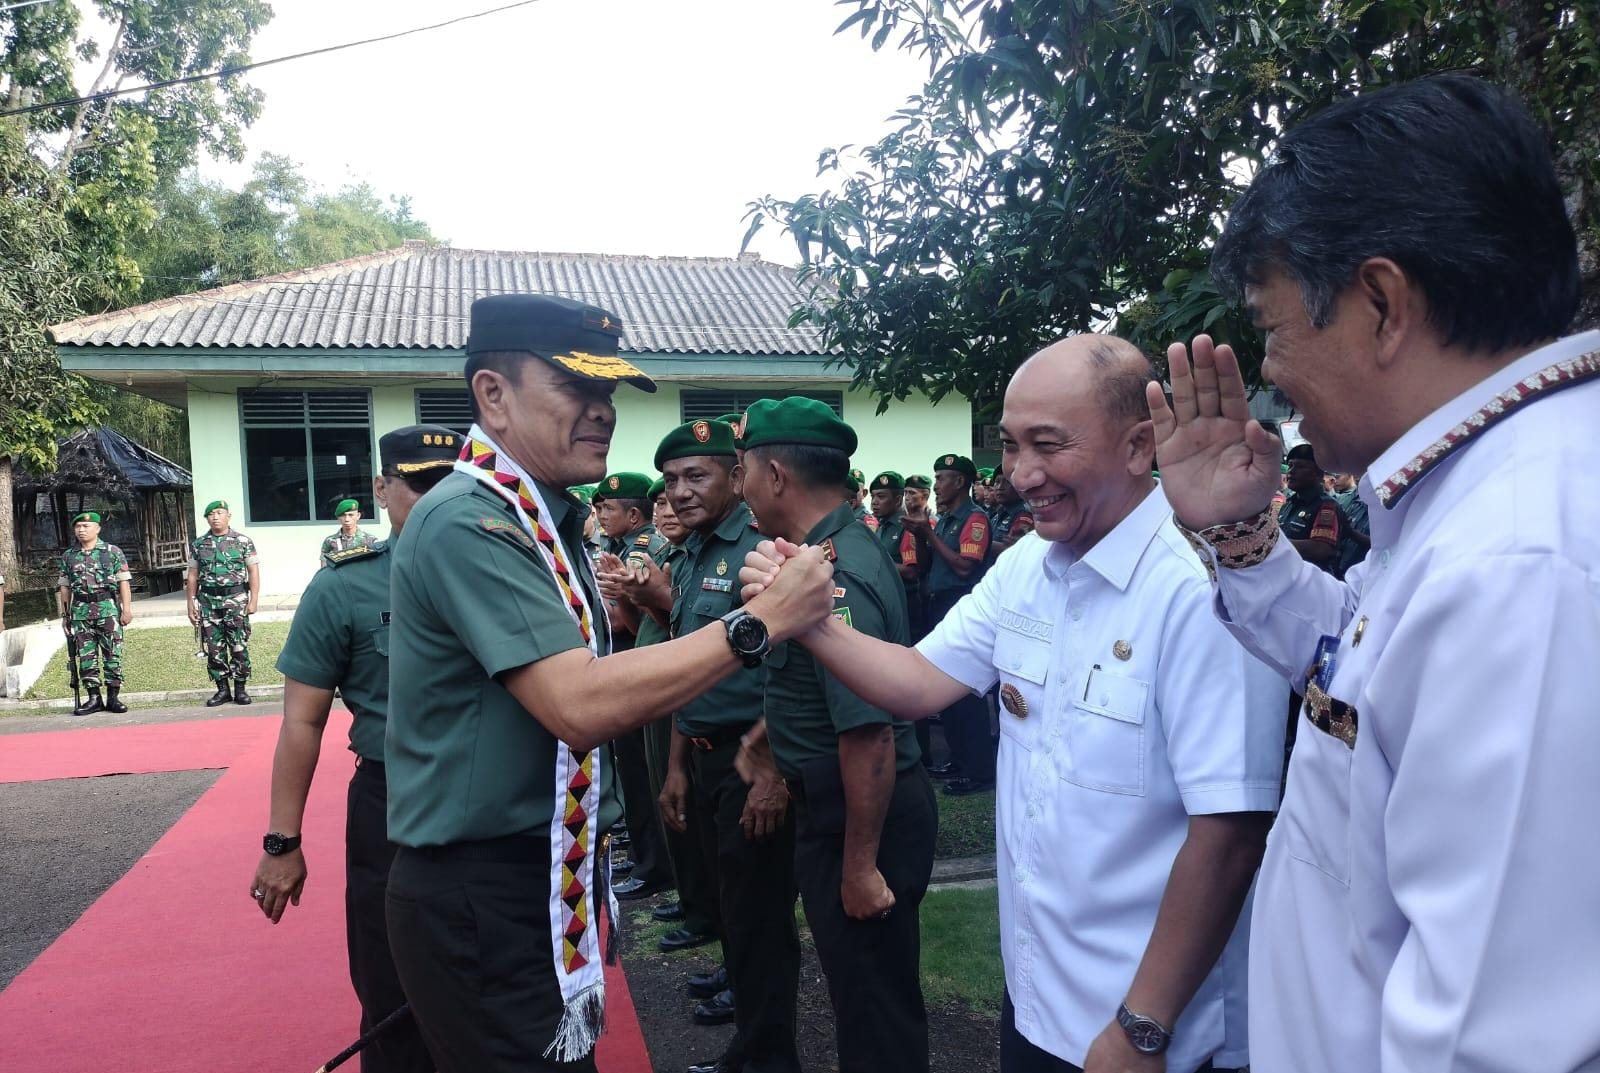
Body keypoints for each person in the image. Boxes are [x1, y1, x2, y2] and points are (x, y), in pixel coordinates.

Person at [1149, 75, 1600, 1073]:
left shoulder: (1514, 564)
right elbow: (1358, 676)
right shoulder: (1477, 503)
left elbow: (1487, 1042)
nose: (1267, 373)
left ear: (1382, 303)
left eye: (1271, 327)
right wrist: (1238, 537)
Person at [744, 335, 1288, 1073]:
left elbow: (1228, 831)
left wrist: (1143, 1026)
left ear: (1137, 447)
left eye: (1048, 445)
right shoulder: (1029, 565)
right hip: (1037, 996)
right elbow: (917, 679)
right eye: (1009, 443)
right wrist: (804, 619)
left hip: (1152, 1026)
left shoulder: (1202, 589)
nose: (1021, 473)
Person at [381, 293, 832, 1073]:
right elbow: (578, 702)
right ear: (493, 394)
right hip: (482, 886)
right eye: (574, 389)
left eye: (608, 393)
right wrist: (757, 624)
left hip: (535, 870)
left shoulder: (541, 515)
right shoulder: (471, 519)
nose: (601, 411)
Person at [249, 424, 460, 1073]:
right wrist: (282, 841)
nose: (434, 498)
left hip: (494, 807)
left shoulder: (510, 571)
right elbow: (302, 722)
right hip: (391, 807)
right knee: (390, 983)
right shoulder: (345, 586)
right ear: (381, 488)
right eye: (417, 484)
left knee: (490, 990)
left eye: (450, 484)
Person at [737, 398, 937, 1073]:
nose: (739, 485)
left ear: (773, 475)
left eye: (740, 469)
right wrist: (771, 735)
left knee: (876, 1014)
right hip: (841, 804)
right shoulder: (826, 553)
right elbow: (823, 692)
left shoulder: (834, 574)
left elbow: (869, 733)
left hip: (859, 814)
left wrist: (858, 864)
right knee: (865, 998)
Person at [654, 416, 802, 1069]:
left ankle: (767, 1055)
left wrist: (773, 770)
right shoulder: (692, 550)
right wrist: (678, 765)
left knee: (761, 922)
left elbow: (793, 668)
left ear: (736, 476)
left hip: (752, 764)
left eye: (696, 475)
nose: (680, 492)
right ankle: (751, 1039)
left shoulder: (763, 546)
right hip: (709, 758)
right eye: (671, 480)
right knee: (735, 913)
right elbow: (695, 672)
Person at [592, 470, 673, 900]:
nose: (601, 515)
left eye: (608, 508)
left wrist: (618, 596)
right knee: (634, 769)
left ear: (633, 514)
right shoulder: (619, 548)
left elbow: (630, 621)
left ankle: (655, 863)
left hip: (639, 662)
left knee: (645, 773)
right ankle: (645, 855)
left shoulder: (644, 551)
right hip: (626, 662)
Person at [909, 453, 993, 795]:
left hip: (961, 605)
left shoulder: (974, 519)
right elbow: (927, 564)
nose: (937, 485)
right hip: (939, 605)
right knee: (949, 694)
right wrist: (920, 534)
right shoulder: (944, 520)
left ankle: (979, 770)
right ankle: (960, 760)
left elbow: (963, 567)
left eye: (942, 478)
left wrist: (929, 537)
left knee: (966, 694)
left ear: (959, 482)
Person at [57, 511, 133, 716]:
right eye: (78, 527)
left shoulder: (112, 552)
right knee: (86, 656)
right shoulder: (69, 556)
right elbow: (65, 587)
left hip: (107, 609)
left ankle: (113, 697)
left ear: (98, 528)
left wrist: (127, 609)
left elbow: (123, 581)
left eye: (86, 526)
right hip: (80, 612)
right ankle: (93, 698)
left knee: (112, 654)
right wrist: (65, 616)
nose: (81, 530)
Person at [186, 500, 260, 707]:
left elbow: (253, 571)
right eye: (211, 514)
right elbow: (192, 575)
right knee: (213, 648)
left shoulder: (243, 541)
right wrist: (191, 603)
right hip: (208, 602)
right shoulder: (199, 544)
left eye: (219, 513)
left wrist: (253, 600)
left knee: (238, 645)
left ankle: (241, 689)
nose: (215, 517)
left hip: (235, 600)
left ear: (229, 515)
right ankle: (222, 690)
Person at [1276, 444, 1342, 574]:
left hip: (1310, 581)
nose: (1291, 471)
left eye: (1300, 467)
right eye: (1290, 465)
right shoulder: (1289, 503)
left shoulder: (1327, 506)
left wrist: (1274, 544)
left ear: (1318, 474)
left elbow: (1322, 548)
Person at [987, 469, 1035, 561]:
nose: (1000, 487)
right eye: (997, 482)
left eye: (1007, 482)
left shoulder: (1024, 514)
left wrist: (981, 543)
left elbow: (1013, 550)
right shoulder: (999, 513)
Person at [1328, 471, 1370, 577]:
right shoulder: (1344, 498)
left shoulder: (1383, 505)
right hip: (1335, 567)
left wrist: (1350, 533)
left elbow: (1379, 544)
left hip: (1359, 573)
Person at [319, 498, 376, 564]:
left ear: (358, 516)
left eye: (351, 515)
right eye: (343, 515)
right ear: (338, 517)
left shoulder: (370, 540)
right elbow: (324, 569)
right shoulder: (329, 541)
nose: (347, 519)